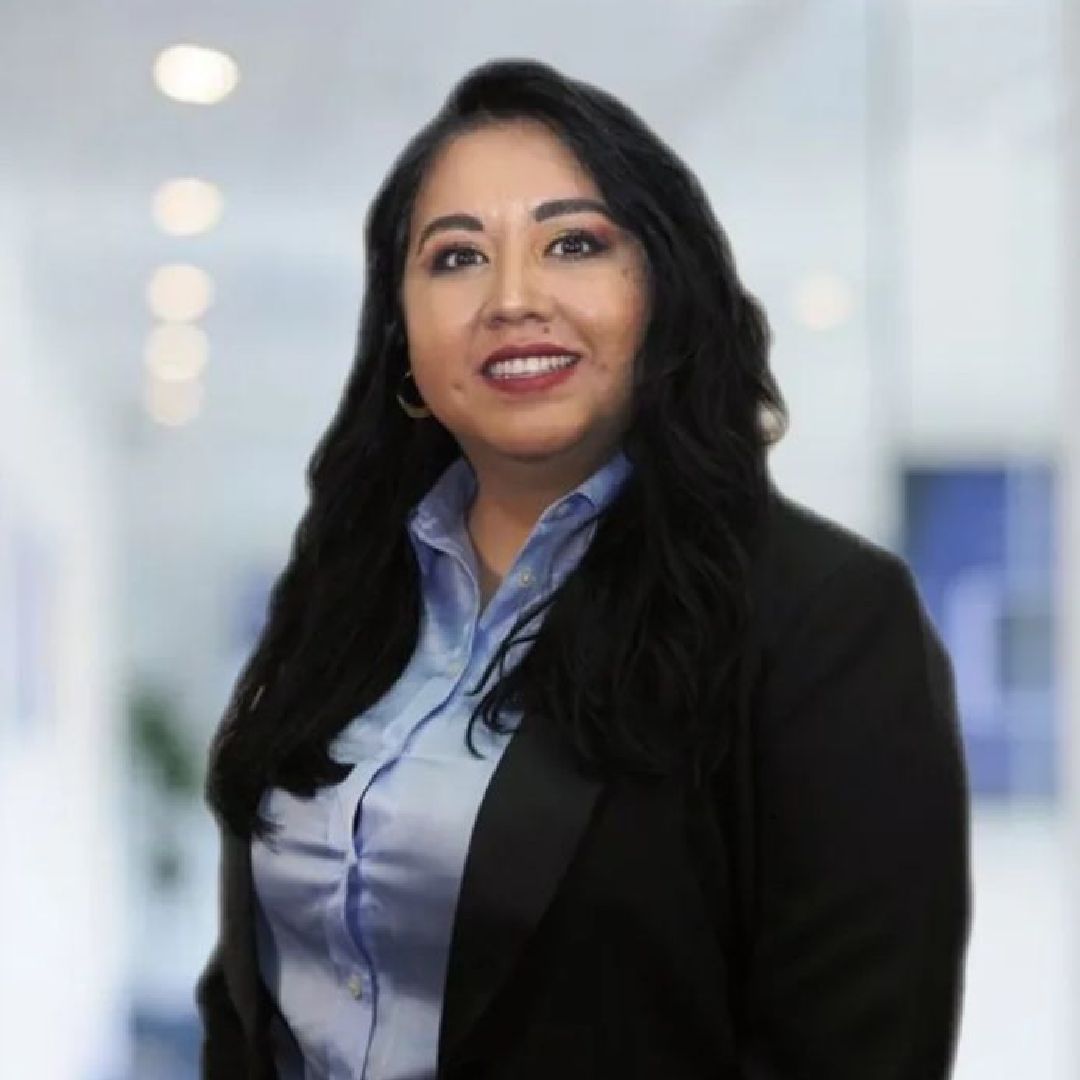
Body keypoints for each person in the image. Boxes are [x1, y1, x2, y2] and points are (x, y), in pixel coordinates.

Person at [196, 57, 972, 1080]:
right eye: (456, 258)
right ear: (402, 340)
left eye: (574, 244)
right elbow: (254, 993)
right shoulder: (342, 598)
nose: (513, 298)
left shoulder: (824, 617)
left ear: (663, 293)